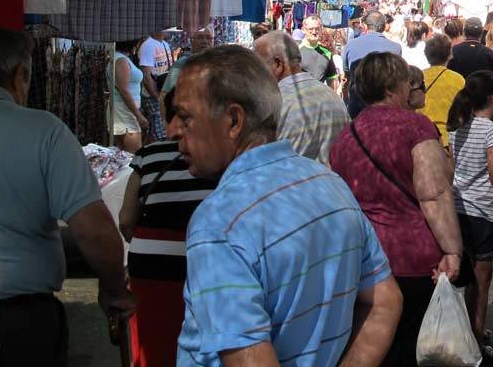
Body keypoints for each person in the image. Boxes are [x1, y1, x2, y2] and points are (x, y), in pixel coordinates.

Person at [169, 45, 402, 366]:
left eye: (184, 116)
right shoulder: (328, 183)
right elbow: (385, 301)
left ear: (234, 120)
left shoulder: (220, 222)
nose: (172, 130)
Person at [0, 27, 135, 366]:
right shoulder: (44, 132)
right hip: (21, 319)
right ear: (21, 75)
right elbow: (96, 232)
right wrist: (113, 289)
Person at [330, 52, 463, 367]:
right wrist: (453, 249)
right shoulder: (416, 127)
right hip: (413, 259)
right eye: (406, 82)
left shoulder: (347, 135)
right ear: (393, 88)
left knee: (375, 349)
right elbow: (434, 193)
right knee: (416, 347)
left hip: (363, 259)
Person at [117, 120, 217, 367]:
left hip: (150, 263)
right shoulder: (219, 156)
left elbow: (126, 219)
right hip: (204, 261)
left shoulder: (147, 154)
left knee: (155, 344)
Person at [447, 71, 493, 366]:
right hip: (483, 213)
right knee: (482, 282)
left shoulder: (456, 130)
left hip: (458, 210)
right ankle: (476, 341)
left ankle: (466, 333)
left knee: (465, 279)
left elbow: (452, 171)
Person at [253, 31, 351, 164]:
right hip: (332, 183)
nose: (257, 74)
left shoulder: (275, 104)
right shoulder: (333, 98)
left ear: (278, 64)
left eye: (259, 66)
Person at [418, 34, 465, 149]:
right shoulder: (458, 80)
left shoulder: (418, 78)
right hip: (448, 138)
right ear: (449, 54)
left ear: (426, 54)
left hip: (420, 137)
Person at [159, 26, 214, 122]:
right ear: (191, 41)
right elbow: (163, 97)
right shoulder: (182, 64)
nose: (204, 41)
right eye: (200, 37)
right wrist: (168, 125)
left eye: (208, 37)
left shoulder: (219, 63)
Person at [111, 38, 148, 153]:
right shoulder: (121, 60)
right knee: (134, 155)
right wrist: (138, 115)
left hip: (124, 109)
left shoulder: (119, 58)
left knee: (124, 153)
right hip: (125, 110)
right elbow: (124, 90)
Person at [138, 31, 173, 143]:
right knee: (159, 133)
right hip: (152, 95)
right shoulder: (148, 46)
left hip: (162, 93)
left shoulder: (165, 44)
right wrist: (156, 96)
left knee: (157, 130)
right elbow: (146, 76)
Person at [298, 15, 340, 90]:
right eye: (310, 29)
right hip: (299, 98)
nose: (314, 32)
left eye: (317, 29)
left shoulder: (327, 53)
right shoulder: (295, 49)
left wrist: (333, 98)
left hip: (320, 98)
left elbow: (332, 79)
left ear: (321, 30)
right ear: (303, 30)